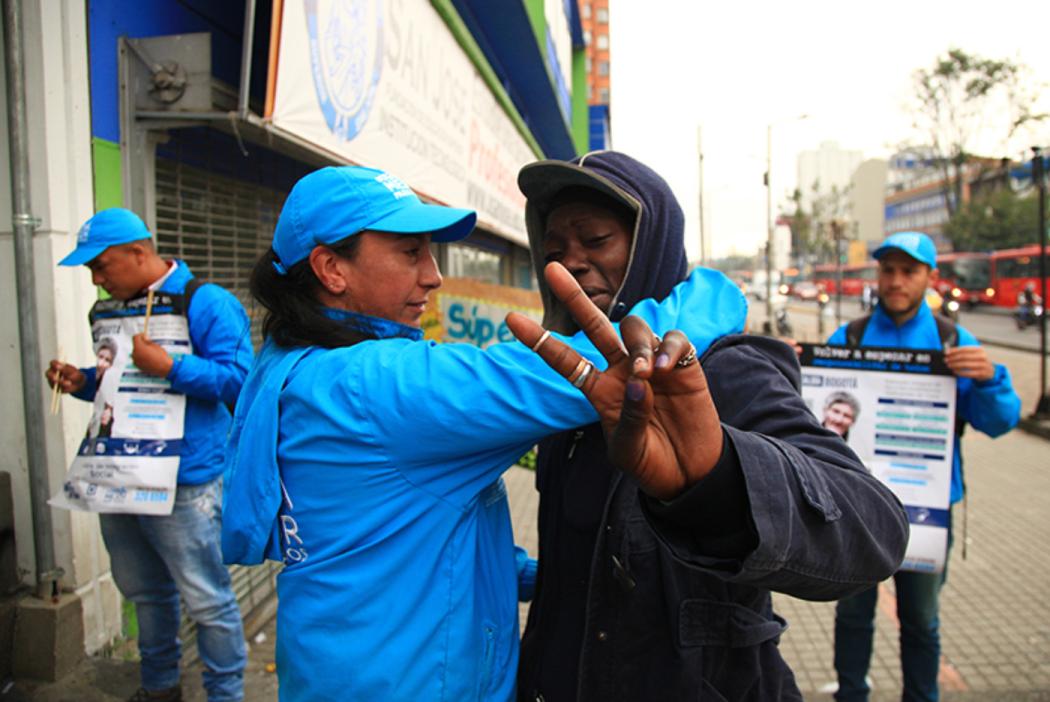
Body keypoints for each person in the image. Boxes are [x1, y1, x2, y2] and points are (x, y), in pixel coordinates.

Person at [219, 165, 751, 701]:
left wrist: (548, 577)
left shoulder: (295, 366)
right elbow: (582, 371)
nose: (433, 276)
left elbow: (401, 533)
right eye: (410, 253)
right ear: (332, 268)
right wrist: (714, 292)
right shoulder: (372, 386)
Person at [512, 150, 910, 701]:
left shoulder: (716, 371)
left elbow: (873, 532)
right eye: (554, 250)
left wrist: (715, 473)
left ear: (650, 244)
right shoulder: (565, 387)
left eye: (595, 240)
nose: (569, 263)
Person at [45, 208, 252, 702]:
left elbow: (241, 381)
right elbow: (117, 381)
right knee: (144, 593)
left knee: (207, 599)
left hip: (185, 481)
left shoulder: (204, 303)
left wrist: (173, 366)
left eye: (102, 266)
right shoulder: (105, 310)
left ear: (139, 252)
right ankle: (159, 688)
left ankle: (225, 695)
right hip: (117, 475)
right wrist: (81, 381)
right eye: (91, 272)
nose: (96, 279)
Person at [827, 231, 1020, 702]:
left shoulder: (955, 341)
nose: (896, 281)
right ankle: (851, 694)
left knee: (921, 620)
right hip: (857, 505)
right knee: (852, 615)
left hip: (928, 508)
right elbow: (809, 408)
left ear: (929, 278)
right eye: (888, 269)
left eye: (908, 271)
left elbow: (998, 422)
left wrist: (992, 378)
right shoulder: (849, 337)